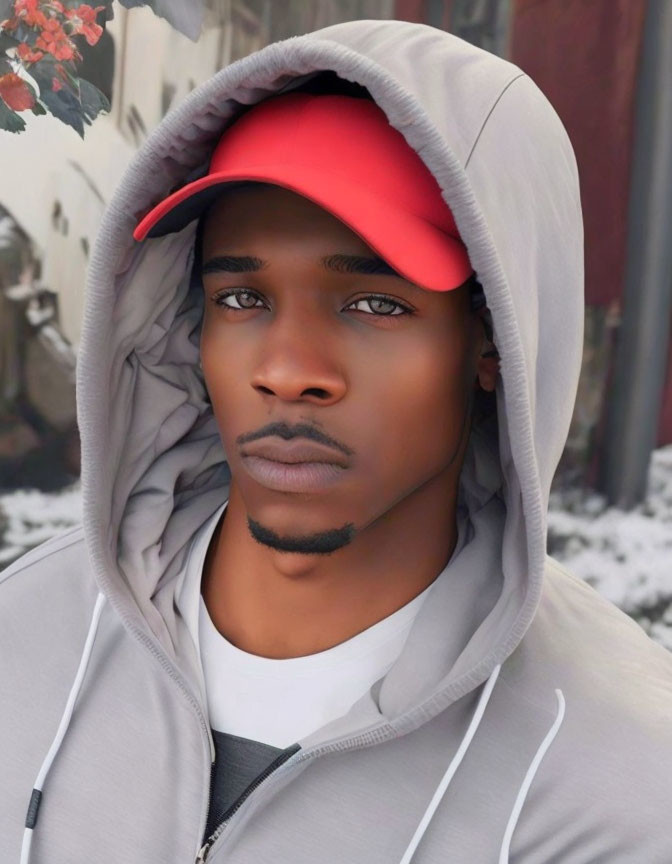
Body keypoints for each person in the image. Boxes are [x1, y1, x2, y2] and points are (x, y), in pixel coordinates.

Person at [1, 18, 671, 864]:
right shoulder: (22, 635)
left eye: (375, 304)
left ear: (495, 340)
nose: (287, 371)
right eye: (241, 298)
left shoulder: (626, 784)